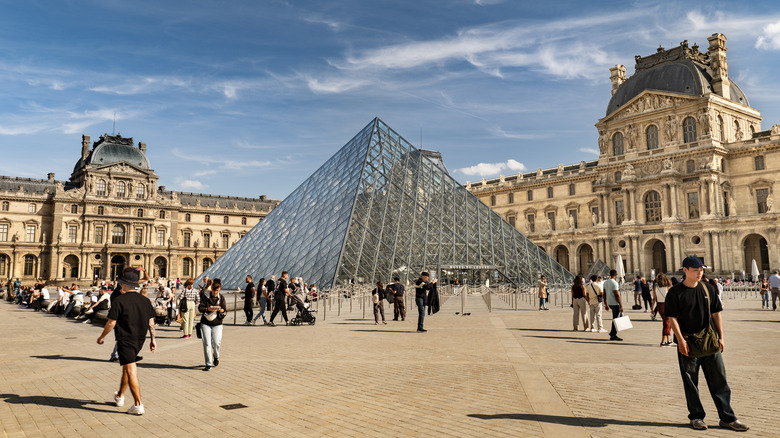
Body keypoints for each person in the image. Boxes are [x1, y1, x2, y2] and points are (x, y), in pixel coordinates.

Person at [666, 256, 748, 431]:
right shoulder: (675, 292)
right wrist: (680, 340)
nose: (699, 273)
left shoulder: (708, 288)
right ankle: (696, 417)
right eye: (696, 270)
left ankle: (727, 417)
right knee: (691, 382)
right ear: (685, 270)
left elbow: (716, 313)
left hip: (710, 342)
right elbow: (671, 317)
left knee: (720, 380)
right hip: (688, 343)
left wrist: (721, 336)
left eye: (701, 270)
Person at [96, 266, 156, 415]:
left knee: (131, 370)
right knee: (127, 367)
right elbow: (151, 321)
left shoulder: (119, 300)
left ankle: (138, 404)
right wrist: (153, 339)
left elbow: (111, 323)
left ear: (125, 284)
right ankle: (120, 396)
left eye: (122, 283)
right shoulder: (145, 300)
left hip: (125, 338)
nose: (120, 285)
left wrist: (102, 336)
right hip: (140, 339)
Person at [198, 279, 227, 371]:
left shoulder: (221, 298)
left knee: (217, 342)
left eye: (217, 290)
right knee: (206, 343)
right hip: (205, 322)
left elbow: (225, 310)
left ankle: (216, 356)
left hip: (217, 323)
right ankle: (208, 364)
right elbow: (200, 308)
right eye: (214, 290)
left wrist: (220, 310)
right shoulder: (205, 296)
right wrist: (207, 309)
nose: (215, 292)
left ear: (220, 289)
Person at [653, 273, 673, 346]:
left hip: (659, 305)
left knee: (667, 322)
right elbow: (671, 297)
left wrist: (652, 308)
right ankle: (663, 341)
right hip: (667, 305)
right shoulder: (668, 287)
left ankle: (668, 340)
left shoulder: (656, 287)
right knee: (666, 323)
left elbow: (654, 298)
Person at [603, 269, 624, 341]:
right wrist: (621, 305)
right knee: (616, 319)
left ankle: (612, 332)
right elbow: (617, 295)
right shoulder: (614, 283)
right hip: (615, 303)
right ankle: (613, 335)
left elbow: (604, 294)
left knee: (616, 317)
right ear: (616, 275)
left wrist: (606, 304)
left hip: (610, 303)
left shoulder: (605, 282)